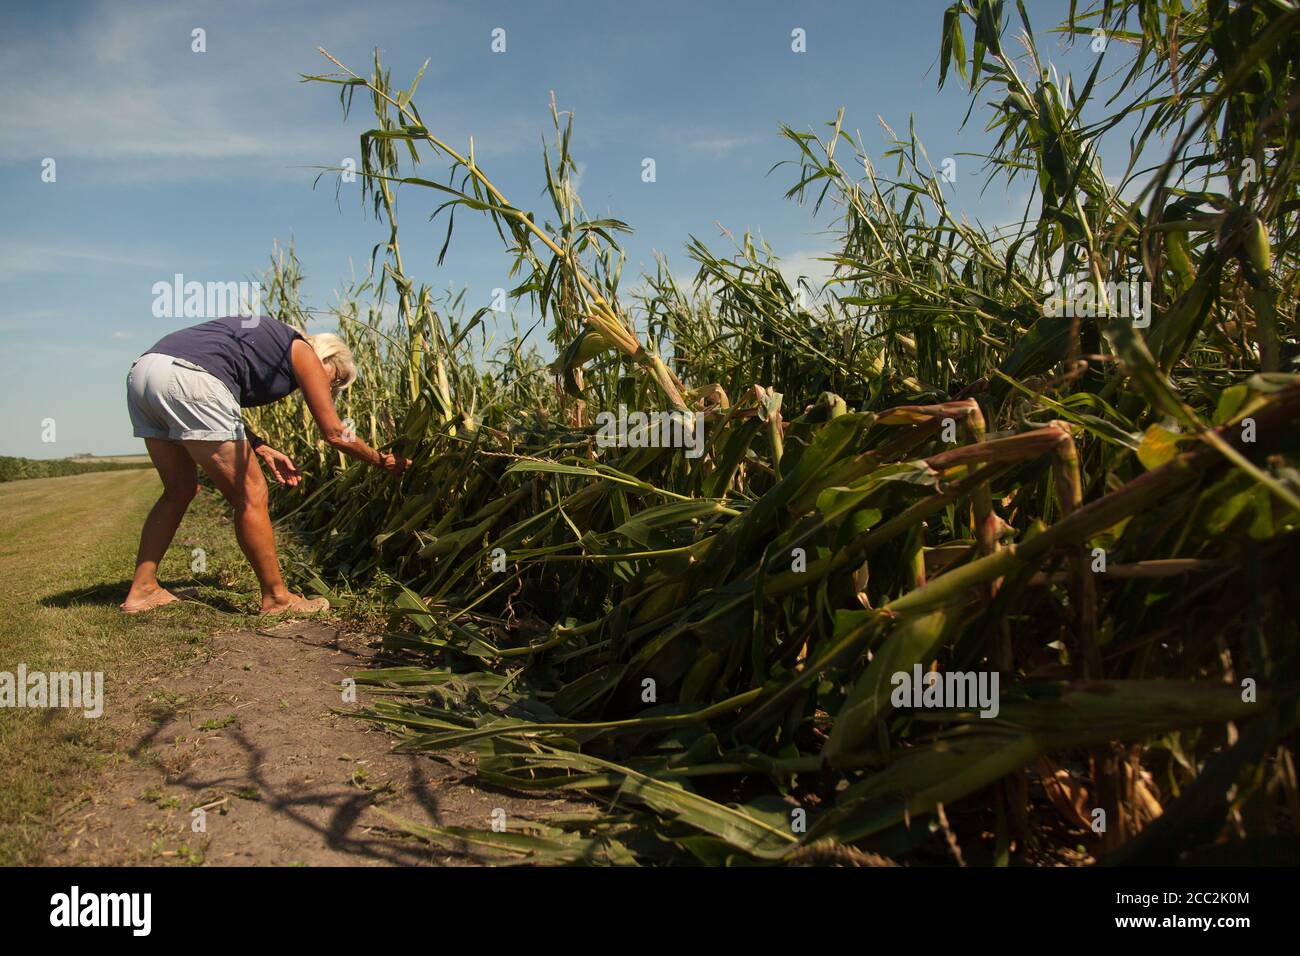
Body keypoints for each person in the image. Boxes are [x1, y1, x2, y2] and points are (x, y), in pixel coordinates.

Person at [120, 315, 407, 614]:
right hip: (189, 377)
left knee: (178, 489)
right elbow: (335, 433)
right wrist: (382, 460)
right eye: (335, 378)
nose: (332, 388)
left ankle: (143, 591)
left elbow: (219, 394)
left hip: (145, 374)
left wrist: (259, 446)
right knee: (252, 494)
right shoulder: (302, 349)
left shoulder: (268, 348)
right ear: (326, 357)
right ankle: (277, 598)